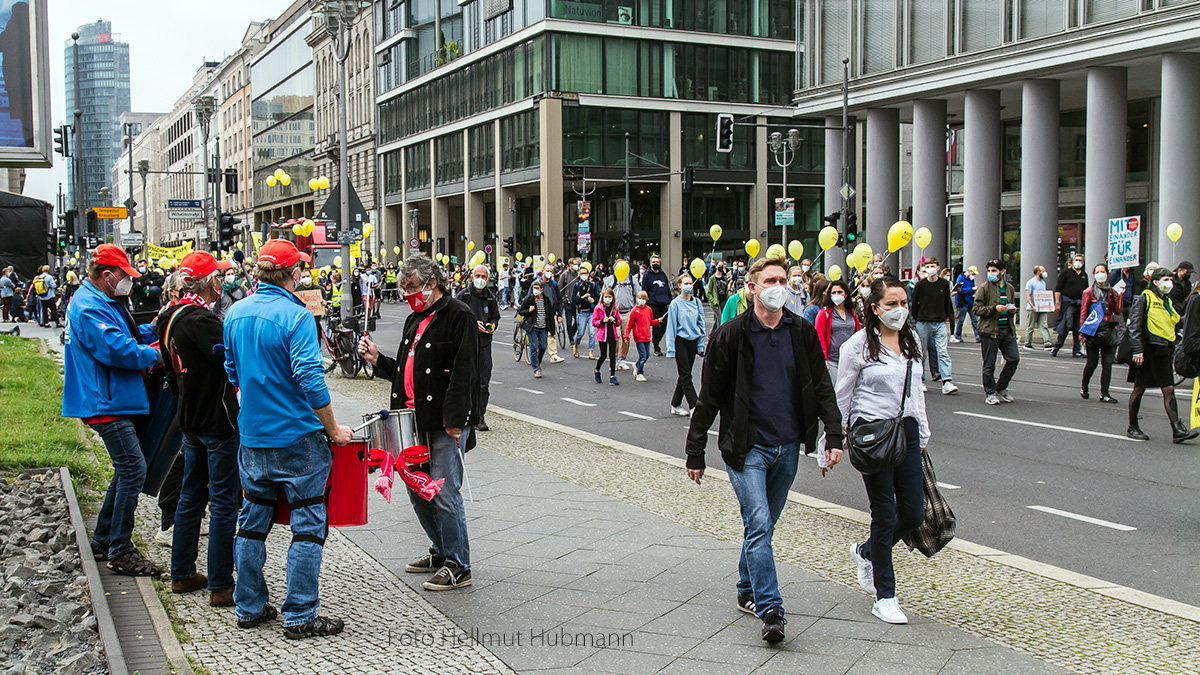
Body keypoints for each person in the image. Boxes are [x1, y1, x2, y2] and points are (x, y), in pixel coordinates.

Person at [685, 257, 844, 643]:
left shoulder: (801, 332)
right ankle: (771, 608)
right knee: (758, 523)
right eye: (771, 280)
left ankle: (745, 588)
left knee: (764, 527)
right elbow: (709, 397)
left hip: (787, 446)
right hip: (746, 448)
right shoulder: (731, 335)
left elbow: (821, 385)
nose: (780, 286)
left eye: (784, 280)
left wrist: (834, 435)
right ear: (752, 287)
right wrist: (695, 450)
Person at [222, 239, 354, 638]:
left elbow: (231, 371)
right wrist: (333, 429)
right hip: (297, 438)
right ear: (293, 274)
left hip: (252, 438)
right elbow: (311, 380)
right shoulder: (297, 317)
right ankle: (299, 615)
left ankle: (248, 606)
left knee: (251, 522)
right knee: (308, 524)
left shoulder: (234, 313)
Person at [358, 253, 479, 591]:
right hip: (412, 420)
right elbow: (405, 370)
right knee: (418, 489)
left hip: (443, 422)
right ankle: (441, 550)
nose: (408, 293)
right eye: (404, 287)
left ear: (432, 282)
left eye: (412, 287)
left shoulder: (458, 315)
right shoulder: (416, 317)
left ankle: (459, 564)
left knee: (443, 492)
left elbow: (465, 371)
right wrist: (377, 359)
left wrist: (456, 420)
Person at [63, 245, 163, 576]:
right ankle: (120, 549)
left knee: (126, 470)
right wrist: (155, 354)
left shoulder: (98, 301)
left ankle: (105, 538)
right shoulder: (90, 306)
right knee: (133, 469)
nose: (129, 283)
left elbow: (124, 335)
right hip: (106, 402)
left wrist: (154, 328)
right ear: (108, 276)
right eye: (125, 277)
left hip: (111, 398)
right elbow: (117, 350)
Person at [836, 277, 930, 626]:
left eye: (903, 302)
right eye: (891, 304)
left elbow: (916, 389)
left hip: (905, 429)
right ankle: (885, 596)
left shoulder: (912, 340)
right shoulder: (858, 346)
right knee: (885, 512)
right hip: (872, 433)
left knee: (914, 513)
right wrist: (833, 440)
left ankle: (866, 552)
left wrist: (921, 429)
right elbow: (842, 395)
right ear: (874, 308)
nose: (899, 310)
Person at [152, 251, 239, 607]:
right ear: (210, 283)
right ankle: (220, 582)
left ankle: (182, 573)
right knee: (222, 502)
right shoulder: (202, 320)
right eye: (218, 278)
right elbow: (229, 359)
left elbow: (170, 371)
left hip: (190, 417)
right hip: (216, 419)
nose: (222, 283)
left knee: (191, 497)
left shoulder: (169, 317)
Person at [1126, 267, 1197, 442]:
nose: (1169, 284)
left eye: (1170, 280)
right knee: (1139, 389)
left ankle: (1177, 429)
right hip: (1147, 351)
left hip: (1163, 350)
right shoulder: (1144, 298)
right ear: (1155, 282)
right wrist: (1137, 350)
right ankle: (1133, 426)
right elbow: (1134, 326)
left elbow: (1176, 320)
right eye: (1165, 280)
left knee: (1169, 389)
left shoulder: (1167, 301)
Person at [455, 264, 500, 431]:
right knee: (467, 381)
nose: (480, 279)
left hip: (484, 345)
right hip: (466, 344)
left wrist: (492, 325)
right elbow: (454, 317)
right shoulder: (463, 295)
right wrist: (473, 323)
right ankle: (466, 414)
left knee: (483, 382)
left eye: (483, 276)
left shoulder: (491, 298)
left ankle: (480, 415)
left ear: (488, 279)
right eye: (477, 276)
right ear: (472, 277)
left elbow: (495, 317)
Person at [974, 260, 1021, 405]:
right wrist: (994, 309)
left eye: (994, 270)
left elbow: (1010, 307)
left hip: (1007, 330)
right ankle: (990, 392)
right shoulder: (984, 288)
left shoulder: (1010, 288)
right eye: (989, 270)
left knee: (1013, 358)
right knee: (989, 364)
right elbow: (977, 309)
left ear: (1003, 271)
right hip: (989, 331)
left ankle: (1001, 387)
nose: (991, 273)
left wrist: (1012, 311)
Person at [910, 258, 957, 395]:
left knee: (942, 352)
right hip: (923, 322)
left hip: (940, 322)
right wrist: (916, 320)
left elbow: (947, 302)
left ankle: (947, 381)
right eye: (928, 266)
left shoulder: (944, 284)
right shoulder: (920, 284)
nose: (930, 268)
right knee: (922, 352)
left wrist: (949, 319)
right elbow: (915, 302)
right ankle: (921, 380)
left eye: (933, 266)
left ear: (938, 267)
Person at [1079, 263, 1123, 404]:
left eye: (1102, 271)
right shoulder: (1089, 292)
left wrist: (1120, 296)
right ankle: (1084, 387)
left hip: (1109, 330)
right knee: (1092, 363)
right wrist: (1082, 334)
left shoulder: (1111, 292)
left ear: (1107, 274)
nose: (1100, 274)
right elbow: (1084, 313)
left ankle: (1105, 393)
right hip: (1094, 331)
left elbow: (1117, 311)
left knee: (1108, 363)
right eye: (1097, 271)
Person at [666, 274, 706, 415]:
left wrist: (700, 346)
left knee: (685, 374)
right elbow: (671, 327)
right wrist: (671, 348)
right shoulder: (675, 304)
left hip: (693, 341)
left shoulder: (697, 302)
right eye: (686, 283)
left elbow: (701, 325)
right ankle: (694, 405)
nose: (689, 285)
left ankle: (675, 404)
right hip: (681, 341)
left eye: (690, 282)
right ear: (679, 285)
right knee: (686, 375)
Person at [814, 280, 860, 383]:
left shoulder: (851, 312)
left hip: (851, 359)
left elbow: (858, 332)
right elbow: (819, 336)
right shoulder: (824, 313)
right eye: (833, 293)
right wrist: (824, 358)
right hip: (832, 360)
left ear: (846, 294)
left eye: (840, 292)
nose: (837, 295)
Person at [605, 261, 641, 371]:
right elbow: (604, 294)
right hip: (614, 312)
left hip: (628, 312)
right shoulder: (610, 280)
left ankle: (623, 360)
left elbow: (638, 294)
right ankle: (614, 360)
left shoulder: (631, 279)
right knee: (615, 338)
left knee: (626, 338)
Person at [517, 278, 554, 377]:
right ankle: (536, 368)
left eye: (537, 288)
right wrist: (529, 311)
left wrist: (552, 331)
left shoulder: (546, 300)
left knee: (542, 347)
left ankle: (537, 361)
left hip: (543, 327)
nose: (535, 290)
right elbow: (520, 311)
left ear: (542, 289)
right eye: (534, 288)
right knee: (533, 348)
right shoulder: (529, 299)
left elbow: (550, 315)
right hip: (532, 327)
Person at [1053, 253, 1088, 358]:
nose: (1079, 262)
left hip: (1079, 303)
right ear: (1072, 262)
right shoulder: (1066, 273)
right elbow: (1058, 289)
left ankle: (1076, 350)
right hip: (1068, 303)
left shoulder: (1084, 275)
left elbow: (1086, 291)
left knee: (1078, 327)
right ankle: (1057, 347)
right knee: (1067, 325)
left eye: (1081, 260)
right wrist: (1057, 302)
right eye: (1077, 260)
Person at [623, 290, 660, 382]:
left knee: (647, 355)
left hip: (647, 336)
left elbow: (650, 322)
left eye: (643, 299)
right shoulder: (634, 311)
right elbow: (630, 324)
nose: (641, 300)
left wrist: (657, 322)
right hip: (639, 337)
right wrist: (626, 336)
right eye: (640, 298)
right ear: (636, 299)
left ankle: (637, 364)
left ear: (646, 299)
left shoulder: (649, 310)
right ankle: (640, 372)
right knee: (643, 355)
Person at [642, 254, 673, 356]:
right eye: (654, 262)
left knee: (664, 324)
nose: (656, 264)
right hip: (653, 304)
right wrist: (646, 303)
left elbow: (667, 287)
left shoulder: (663, 274)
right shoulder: (647, 276)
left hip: (664, 303)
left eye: (657, 262)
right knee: (656, 326)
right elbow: (644, 290)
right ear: (650, 263)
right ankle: (656, 346)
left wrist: (669, 298)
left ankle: (656, 340)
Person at [592, 287, 622, 385]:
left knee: (612, 355)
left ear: (613, 298)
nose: (607, 299)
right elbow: (594, 322)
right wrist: (602, 321)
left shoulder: (615, 308)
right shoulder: (598, 308)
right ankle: (597, 370)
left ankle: (612, 376)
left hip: (612, 334)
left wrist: (614, 320)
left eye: (609, 297)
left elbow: (618, 322)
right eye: (606, 297)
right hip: (602, 335)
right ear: (602, 297)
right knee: (603, 355)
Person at [1023, 265, 1053, 350]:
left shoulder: (1043, 283)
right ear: (1038, 272)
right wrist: (1033, 306)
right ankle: (1027, 342)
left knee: (1044, 325)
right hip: (1032, 308)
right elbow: (1028, 295)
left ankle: (1047, 342)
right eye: (1043, 271)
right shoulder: (1031, 282)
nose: (1045, 273)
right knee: (1031, 326)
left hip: (1042, 307)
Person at [573, 268, 599, 358]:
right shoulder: (577, 286)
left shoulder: (593, 285)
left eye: (585, 273)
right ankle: (576, 344)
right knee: (580, 332)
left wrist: (593, 300)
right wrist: (582, 297)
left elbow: (598, 297)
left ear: (588, 274)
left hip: (592, 312)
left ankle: (591, 351)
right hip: (582, 312)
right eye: (582, 273)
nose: (584, 275)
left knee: (592, 332)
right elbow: (574, 299)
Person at [951, 266, 979, 343]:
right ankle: (958, 335)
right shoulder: (961, 278)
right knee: (961, 320)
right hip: (963, 302)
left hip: (970, 302)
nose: (973, 275)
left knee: (974, 319)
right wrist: (971, 289)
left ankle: (978, 336)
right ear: (969, 271)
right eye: (973, 273)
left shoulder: (971, 279)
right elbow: (960, 290)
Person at [705, 260, 729, 326]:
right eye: (719, 265)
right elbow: (708, 292)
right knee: (720, 317)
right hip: (716, 301)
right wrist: (712, 300)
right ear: (716, 267)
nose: (720, 267)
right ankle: (719, 333)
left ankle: (712, 334)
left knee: (717, 318)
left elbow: (726, 289)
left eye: (722, 266)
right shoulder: (712, 279)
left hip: (723, 300)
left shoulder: (724, 278)